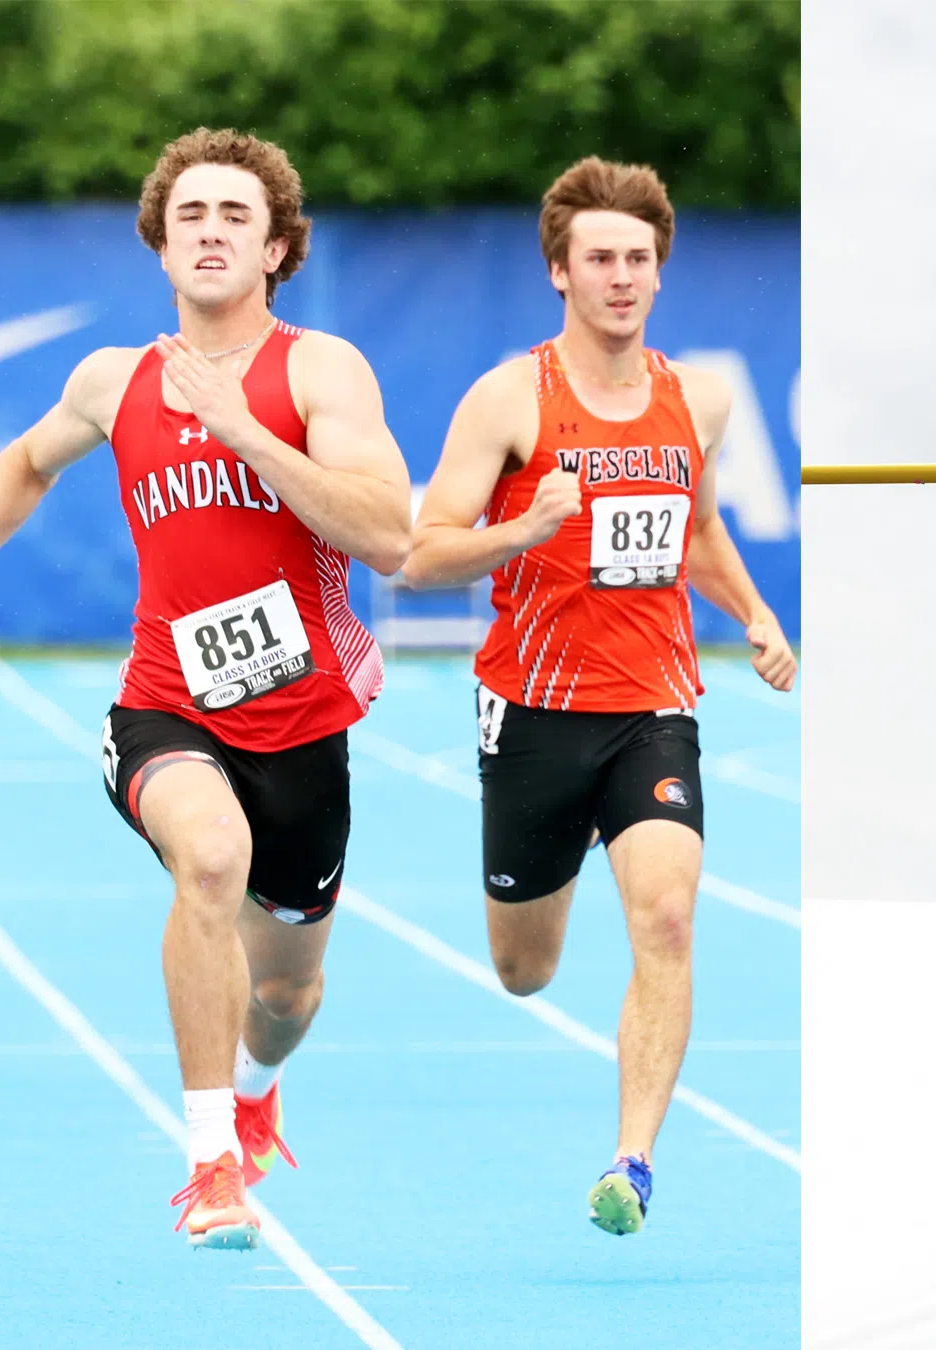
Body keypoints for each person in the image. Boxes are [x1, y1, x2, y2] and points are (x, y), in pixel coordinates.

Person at [0, 128, 415, 1250]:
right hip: (166, 702)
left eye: (236, 217)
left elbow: (391, 536)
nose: (212, 233)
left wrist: (249, 438)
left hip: (304, 721)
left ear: (276, 248)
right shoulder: (114, 379)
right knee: (209, 857)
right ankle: (212, 1161)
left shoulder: (319, 370)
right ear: (161, 249)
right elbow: (26, 462)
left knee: (287, 998)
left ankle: (262, 1095)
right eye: (192, 218)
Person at [403, 156, 797, 1236]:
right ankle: (557, 859)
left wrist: (756, 615)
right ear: (560, 274)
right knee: (524, 969)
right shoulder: (509, 399)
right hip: (531, 713)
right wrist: (523, 530)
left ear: (659, 274)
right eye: (600, 259)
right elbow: (419, 554)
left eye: (638, 259)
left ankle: (632, 1162)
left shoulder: (697, 399)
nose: (621, 277)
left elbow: (701, 531)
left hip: (653, 705)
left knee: (667, 915)